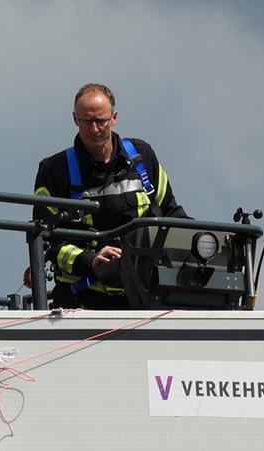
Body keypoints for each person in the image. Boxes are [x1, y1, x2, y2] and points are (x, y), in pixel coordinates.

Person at [33, 83, 187, 308]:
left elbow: (171, 213)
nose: (94, 129)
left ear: (114, 118)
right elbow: (47, 240)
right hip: (83, 302)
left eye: (101, 121)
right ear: (75, 119)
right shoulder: (54, 171)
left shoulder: (142, 157)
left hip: (146, 297)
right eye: (87, 121)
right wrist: (91, 260)